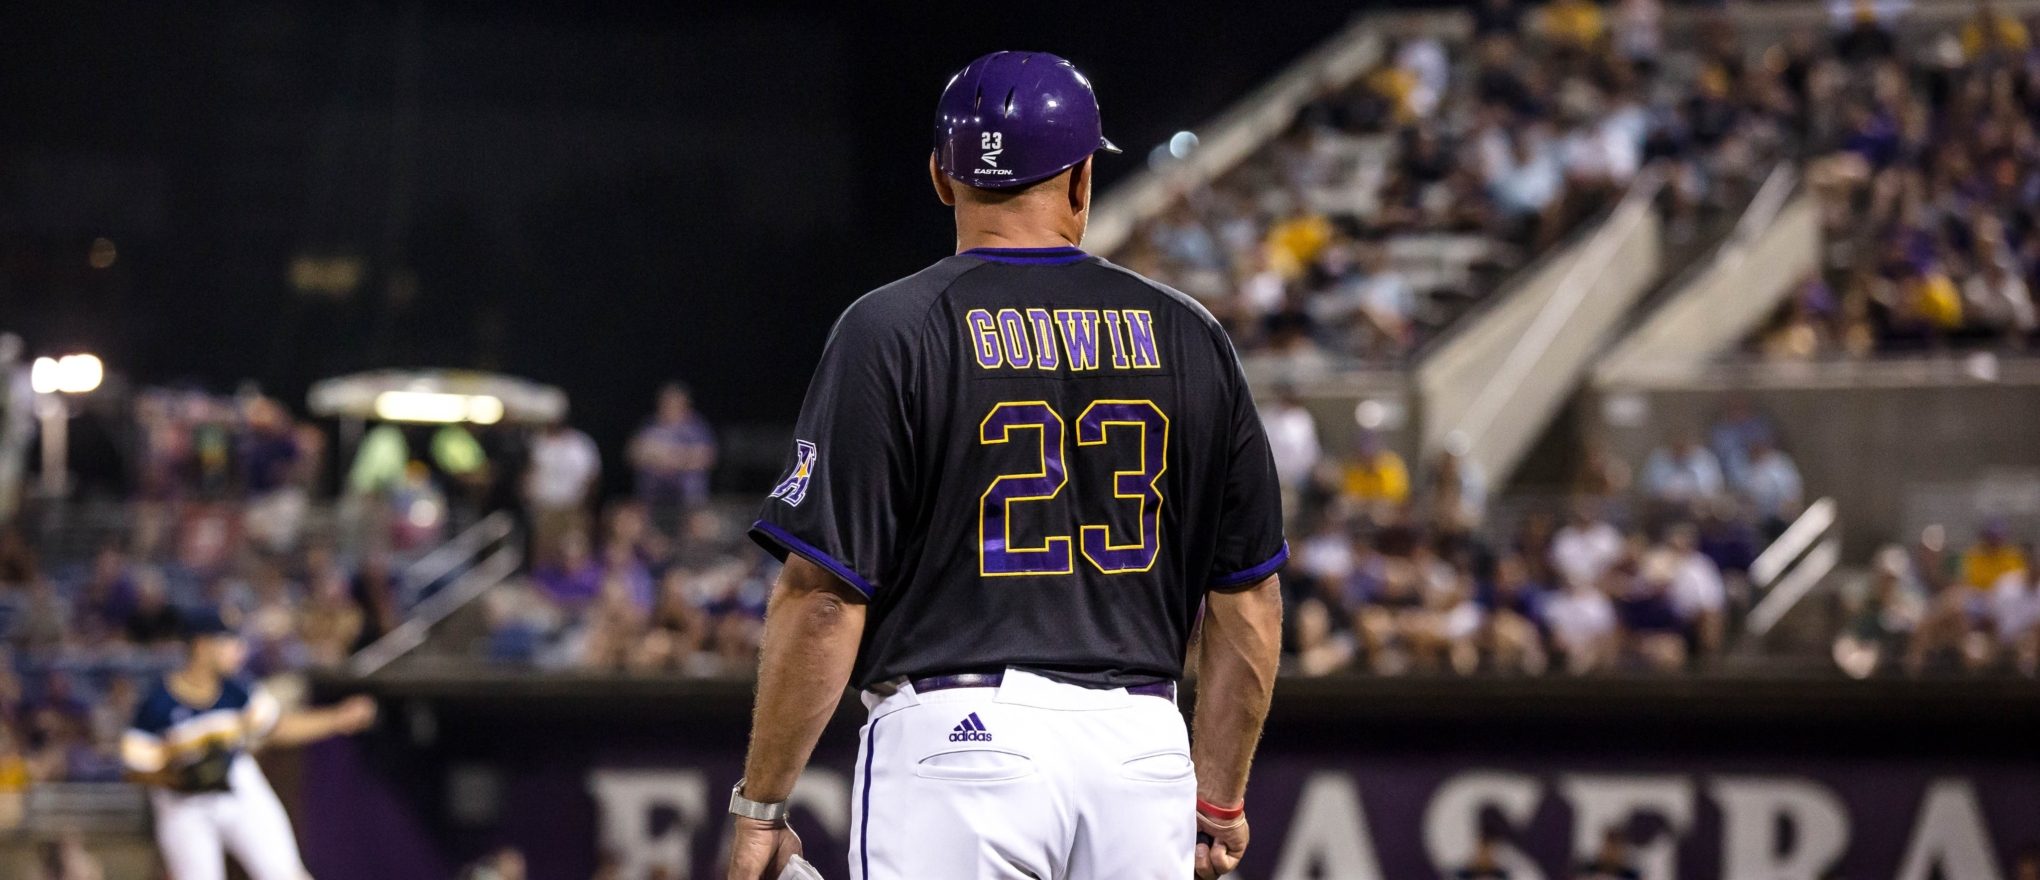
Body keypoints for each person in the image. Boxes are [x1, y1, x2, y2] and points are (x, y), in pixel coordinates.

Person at [726, 52, 1287, 880]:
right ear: (1081, 179)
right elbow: (1248, 607)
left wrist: (763, 807)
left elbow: (821, 601)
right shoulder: (1191, 335)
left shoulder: (893, 328)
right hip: (1140, 756)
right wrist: (1218, 803)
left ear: (941, 179)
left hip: (958, 744)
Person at [122, 610, 377, 880]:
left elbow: (278, 728)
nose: (238, 650)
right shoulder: (158, 704)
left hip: (236, 785)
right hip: (183, 804)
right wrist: (182, 777)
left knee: (284, 874)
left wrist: (338, 718)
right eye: (228, 641)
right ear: (203, 645)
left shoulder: (237, 690)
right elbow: (136, 767)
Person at [629, 383, 718, 526]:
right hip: (655, 485)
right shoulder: (651, 425)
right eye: (665, 402)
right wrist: (664, 459)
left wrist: (671, 459)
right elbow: (633, 454)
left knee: (692, 482)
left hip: (684, 484)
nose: (668, 406)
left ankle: (692, 525)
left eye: (673, 402)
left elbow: (707, 457)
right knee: (645, 481)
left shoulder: (696, 426)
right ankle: (650, 533)